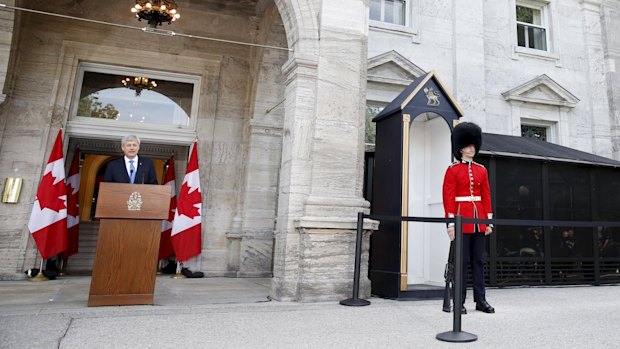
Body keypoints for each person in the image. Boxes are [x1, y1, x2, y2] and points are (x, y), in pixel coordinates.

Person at [442, 122, 495, 314]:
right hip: (461, 219)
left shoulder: (482, 170)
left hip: (479, 219)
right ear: (460, 147)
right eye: (468, 145)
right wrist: (450, 223)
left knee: (478, 261)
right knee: (462, 263)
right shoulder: (453, 170)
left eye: (474, 145)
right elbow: (448, 198)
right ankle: (459, 301)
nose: (472, 148)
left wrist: (488, 221)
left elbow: (486, 196)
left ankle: (480, 300)